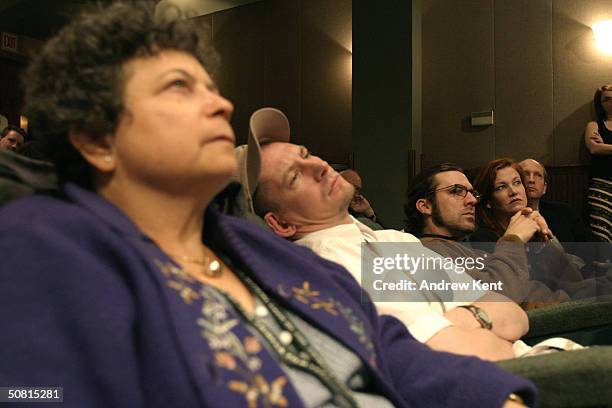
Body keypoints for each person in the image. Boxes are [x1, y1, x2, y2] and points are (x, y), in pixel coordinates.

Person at [0, 2, 535, 407]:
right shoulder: (43, 241)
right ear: (96, 138)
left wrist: (495, 397)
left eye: (212, 87)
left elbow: (384, 344)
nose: (222, 104)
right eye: (179, 88)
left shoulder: (247, 242)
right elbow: (34, 393)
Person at [237, 108, 532, 362]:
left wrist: (467, 317)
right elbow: (466, 355)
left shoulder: (393, 239)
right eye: (294, 176)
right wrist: (484, 320)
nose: (319, 165)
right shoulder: (332, 266)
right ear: (282, 224)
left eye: (307, 154)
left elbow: (513, 313)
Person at [403, 163, 569, 307]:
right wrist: (513, 239)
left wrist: (541, 244)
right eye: (457, 191)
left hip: (566, 301)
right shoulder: (428, 253)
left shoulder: (460, 248)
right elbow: (499, 302)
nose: (472, 200)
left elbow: (570, 279)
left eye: (472, 193)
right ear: (425, 206)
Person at [470, 158, 612, 298]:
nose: (513, 191)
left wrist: (545, 243)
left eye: (517, 183)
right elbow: (505, 290)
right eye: (501, 187)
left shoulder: (537, 225)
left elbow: (574, 281)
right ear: (488, 201)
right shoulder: (483, 238)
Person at [518, 158, 606, 265]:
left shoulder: (564, 212)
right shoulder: (507, 219)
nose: (531, 180)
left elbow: (595, 245)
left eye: (538, 175)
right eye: (525, 174)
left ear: (544, 188)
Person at [584, 85, 612, 243]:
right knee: (601, 229)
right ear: (600, 103)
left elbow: (601, 148)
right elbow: (594, 149)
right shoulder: (594, 125)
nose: (611, 102)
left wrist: (606, 146)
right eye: (607, 99)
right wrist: (600, 147)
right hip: (601, 184)